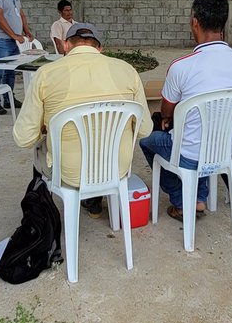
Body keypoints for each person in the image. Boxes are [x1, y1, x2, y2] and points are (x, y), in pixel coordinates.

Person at [13, 22, 151, 218]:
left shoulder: (46, 74)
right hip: (116, 168)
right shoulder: (127, 70)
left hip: (69, 173)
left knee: (40, 149)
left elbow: (23, 138)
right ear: (100, 48)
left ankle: (43, 219)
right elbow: (144, 130)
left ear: (67, 46)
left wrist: (47, 127)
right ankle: (94, 203)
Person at [140, 0, 232, 220]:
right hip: (224, 151)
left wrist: (168, 119)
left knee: (148, 142)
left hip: (190, 153)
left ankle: (182, 201)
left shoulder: (181, 66)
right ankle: (199, 197)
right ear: (223, 24)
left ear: (195, 22)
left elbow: (167, 111)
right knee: (197, 131)